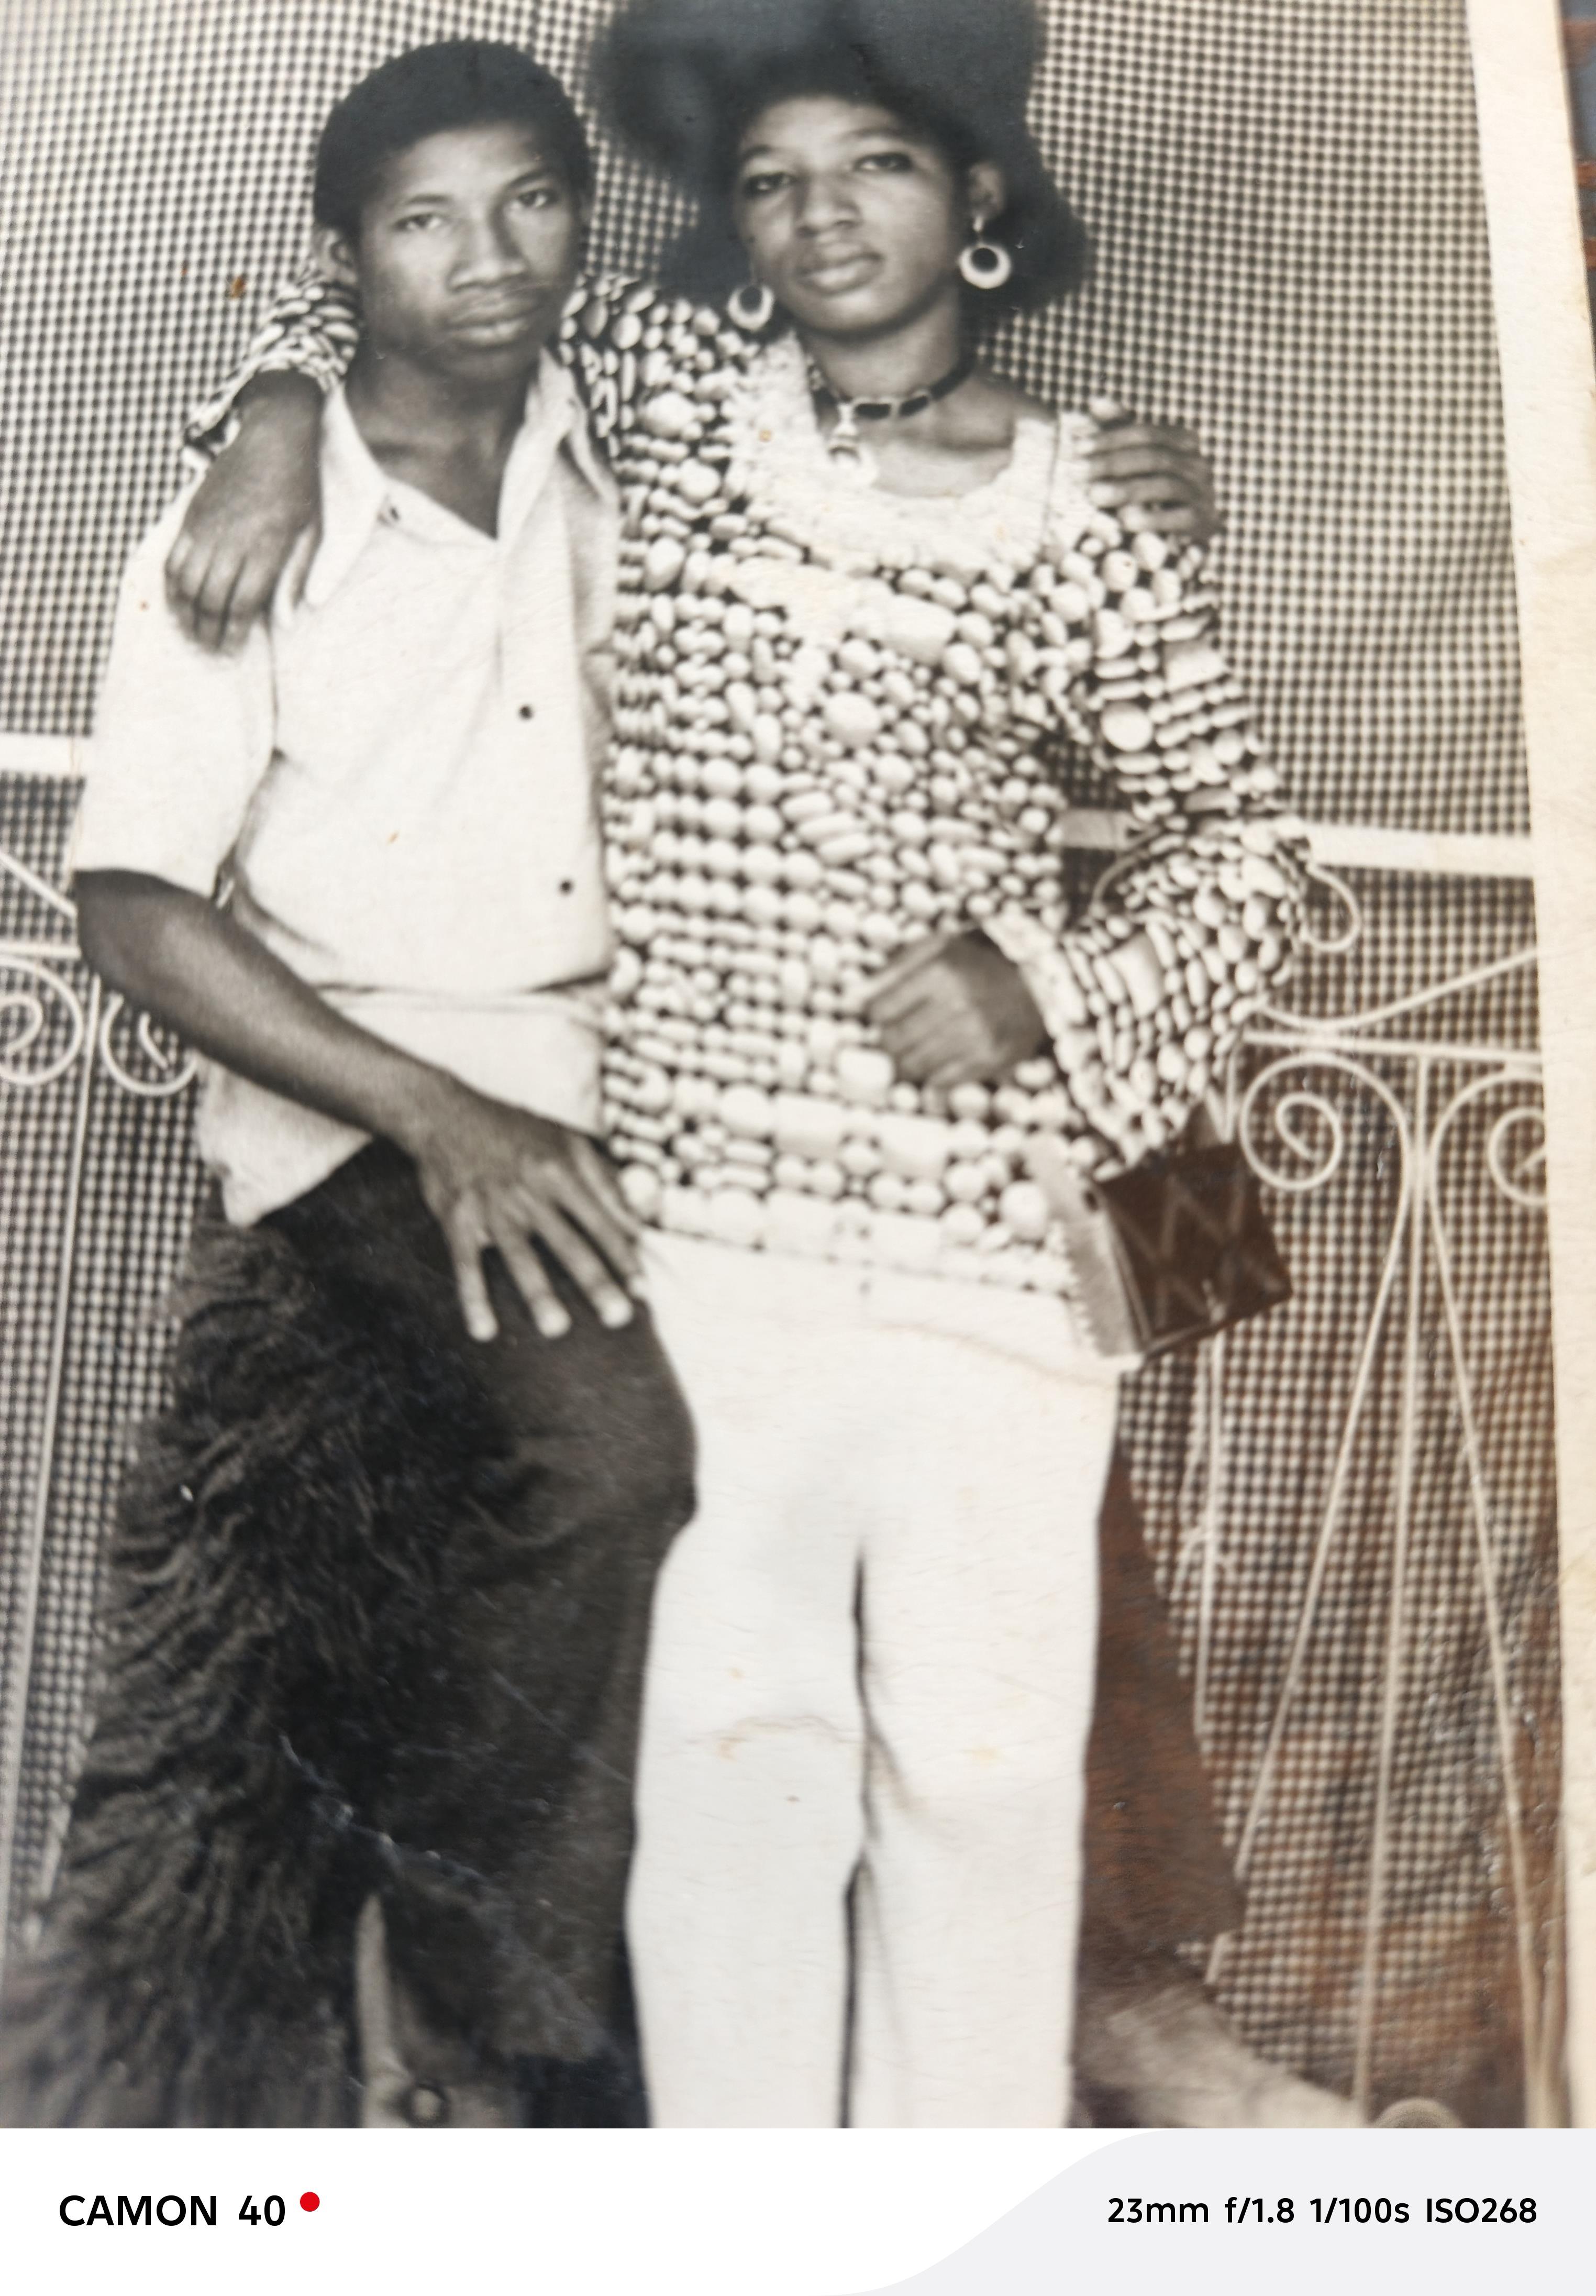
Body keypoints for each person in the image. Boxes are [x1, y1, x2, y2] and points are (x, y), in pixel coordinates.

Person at [153, 8, 1349, 2127]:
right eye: (778, 179)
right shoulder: (682, 405)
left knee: (981, 1771)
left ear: (979, 198)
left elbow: (1244, 855)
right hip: (705, 1224)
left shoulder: (1093, 511)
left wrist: (1043, 985)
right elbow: (407, 306)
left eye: (876, 166)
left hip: (995, 1233)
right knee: (734, 1766)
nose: (822, 216)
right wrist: (253, 413)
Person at [0, 43, 695, 2129]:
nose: (489, 262)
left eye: (534, 205)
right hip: (361, 1109)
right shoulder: (236, 535)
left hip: (631, 1091)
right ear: (339, 260)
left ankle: (1016, 2001)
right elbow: (133, 907)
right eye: (423, 219)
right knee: (609, 1452)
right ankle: (459, 2013)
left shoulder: (633, 451)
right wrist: (445, 1117)